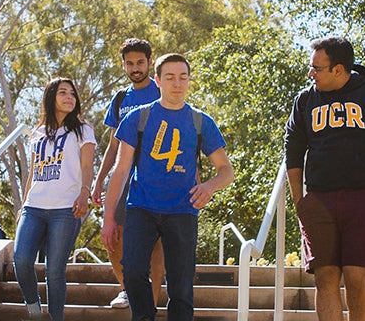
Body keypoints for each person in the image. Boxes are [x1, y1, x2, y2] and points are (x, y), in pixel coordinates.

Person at [286, 37, 365, 321]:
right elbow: (292, 152)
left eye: (317, 68)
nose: (311, 74)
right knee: (326, 277)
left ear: (339, 69)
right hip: (319, 200)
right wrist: (300, 202)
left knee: (356, 277)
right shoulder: (305, 100)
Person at [101, 53, 235, 321]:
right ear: (158, 81)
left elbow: (226, 171)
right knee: (134, 272)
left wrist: (209, 187)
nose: (177, 83)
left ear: (188, 81)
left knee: (181, 284)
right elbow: (121, 169)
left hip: (182, 211)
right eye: (170, 77)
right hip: (141, 207)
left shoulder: (201, 122)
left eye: (183, 77)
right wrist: (108, 218)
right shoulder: (138, 118)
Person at [89, 38, 166, 310]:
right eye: (130, 63)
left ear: (149, 62)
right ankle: (126, 289)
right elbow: (113, 144)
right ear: (124, 65)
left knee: (156, 243)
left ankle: (151, 304)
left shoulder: (162, 90)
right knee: (113, 235)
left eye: (140, 63)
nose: (135, 68)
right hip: (123, 177)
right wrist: (99, 180)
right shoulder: (121, 98)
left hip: (157, 176)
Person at [13, 78, 97, 321]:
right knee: (22, 259)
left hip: (66, 208)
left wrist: (85, 193)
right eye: (63, 93)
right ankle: (34, 309)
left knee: (54, 270)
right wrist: (23, 206)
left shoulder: (83, 129)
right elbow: (32, 172)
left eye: (72, 93)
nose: (70, 97)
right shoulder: (38, 133)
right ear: (51, 98)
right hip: (34, 206)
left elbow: (87, 166)